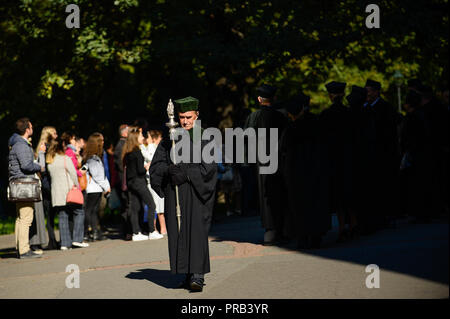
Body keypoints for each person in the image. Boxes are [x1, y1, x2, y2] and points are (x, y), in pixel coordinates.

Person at [149, 96, 217, 292]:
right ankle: (186, 273)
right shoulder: (169, 137)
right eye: (181, 117)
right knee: (178, 233)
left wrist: (186, 173)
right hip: (175, 193)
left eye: (189, 117)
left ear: (197, 115)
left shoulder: (206, 137)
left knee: (195, 232)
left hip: (196, 195)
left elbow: (209, 169)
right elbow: (157, 165)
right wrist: (168, 171)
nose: (185, 121)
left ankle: (197, 275)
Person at [280, 93, 331, 249]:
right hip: (316, 169)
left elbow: (284, 151)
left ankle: (302, 237)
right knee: (316, 202)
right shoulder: (317, 123)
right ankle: (317, 235)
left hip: (296, 173)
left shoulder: (290, 130)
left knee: (299, 205)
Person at [244, 84, 289, 245]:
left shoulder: (252, 118)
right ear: (273, 98)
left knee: (265, 195)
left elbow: (246, 140)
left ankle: (270, 229)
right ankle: (283, 228)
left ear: (258, 99)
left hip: (261, 162)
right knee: (281, 192)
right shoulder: (281, 117)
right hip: (279, 161)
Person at [356, 79, 398, 234]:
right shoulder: (365, 108)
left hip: (383, 153)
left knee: (384, 186)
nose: (367, 94)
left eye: (369, 91)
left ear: (376, 91)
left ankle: (386, 216)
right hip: (369, 154)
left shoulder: (385, 108)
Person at [319, 82, 355, 243]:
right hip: (349, 157)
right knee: (351, 193)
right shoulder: (350, 113)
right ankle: (354, 223)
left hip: (334, 159)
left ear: (330, 96)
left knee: (339, 196)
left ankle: (342, 227)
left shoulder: (325, 115)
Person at [8, 118, 46, 259]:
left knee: (20, 218)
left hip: (18, 183)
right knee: (26, 218)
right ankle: (24, 250)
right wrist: (39, 166)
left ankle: (20, 248)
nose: (32, 128)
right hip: (24, 183)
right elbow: (26, 165)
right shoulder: (21, 145)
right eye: (31, 126)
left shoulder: (16, 143)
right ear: (27, 129)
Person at [46, 138, 89, 250]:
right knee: (79, 212)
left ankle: (65, 243)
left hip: (57, 193)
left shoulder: (50, 161)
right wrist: (76, 186)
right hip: (68, 190)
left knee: (62, 215)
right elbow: (74, 174)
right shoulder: (65, 159)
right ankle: (77, 239)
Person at [122, 127, 162, 241]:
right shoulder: (137, 152)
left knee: (135, 207)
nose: (143, 138)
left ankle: (136, 232)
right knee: (151, 204)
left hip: (131, 182)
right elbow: (140, 170)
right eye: (140, 136)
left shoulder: (128, 152)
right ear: (135, 138)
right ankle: (151, 230)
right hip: (139, 181)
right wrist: (146, 167)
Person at [31, 126, 58, 252]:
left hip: (46, 182)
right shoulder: (45, 147)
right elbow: (42, 167)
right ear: (49, 134)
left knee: (50, 213)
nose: (56, 134)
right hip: (48, 183)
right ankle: (52, 240)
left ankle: (52, 240)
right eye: (54, 132)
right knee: (50, 213)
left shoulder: (42, 146)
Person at [84, 132, 111, 241]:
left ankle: (95, 232)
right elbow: (99, 176)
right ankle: (86, 233)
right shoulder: (93, 159)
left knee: (93, 211)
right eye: (101, 141)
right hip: (93, 189)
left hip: (95, 188)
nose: (103, 143)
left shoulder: (91, 158)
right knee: (89, 211)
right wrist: (107, 187)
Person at [114, 124, 130, 239]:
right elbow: (121, 166)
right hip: (124, 180)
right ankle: (127, 230)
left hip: (124, 179)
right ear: (124, 133)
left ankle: (128, 230)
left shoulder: (122, 144)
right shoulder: (121, 146)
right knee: (127, 205)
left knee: (127, 205)